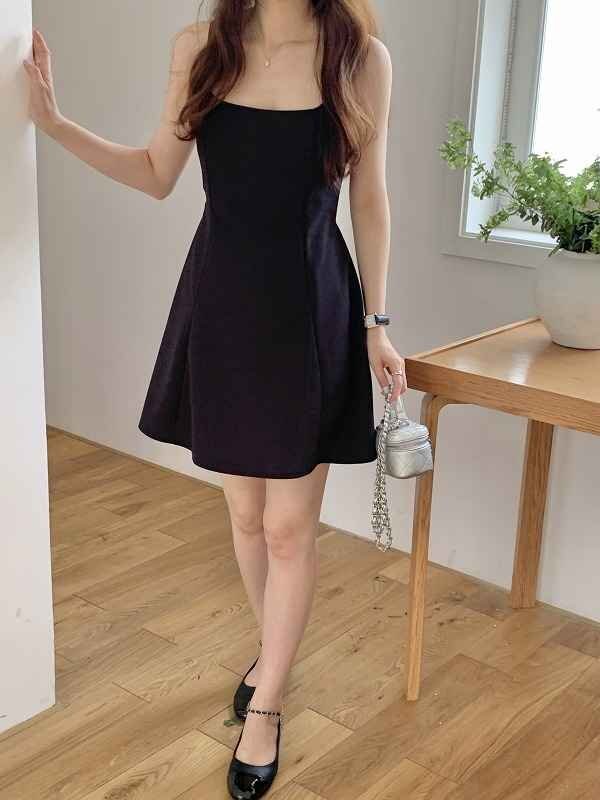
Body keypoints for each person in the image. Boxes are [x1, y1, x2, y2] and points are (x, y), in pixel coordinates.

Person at [24, 1, 405, 797]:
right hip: (224, 304)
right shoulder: (202, 47)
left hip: (311, 306)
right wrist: (55, 126)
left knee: (288, 527)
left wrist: (377, 325)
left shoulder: (360, 56)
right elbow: (156, 173)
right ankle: (274, 654)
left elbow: (369, 198)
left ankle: (266, 705)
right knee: (244, 515)